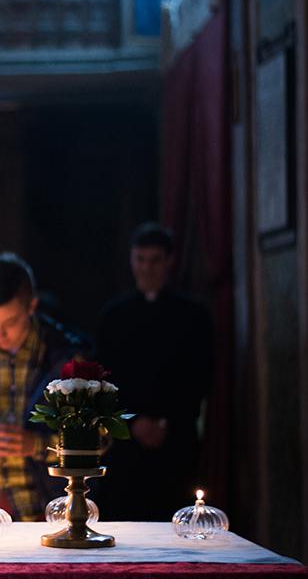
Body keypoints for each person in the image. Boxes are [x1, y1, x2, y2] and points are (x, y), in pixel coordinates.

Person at [0, 253, 86, 520]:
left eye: (10, 323)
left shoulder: (64, 356)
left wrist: (36, 445)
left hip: (49, 507)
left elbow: (96, 442)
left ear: (31, 306)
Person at [96, 222, 212, 521]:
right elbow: (105, 380)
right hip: (125, 443)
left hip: (174, 439)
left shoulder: (193, 316)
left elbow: (199, 378)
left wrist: (164, 422)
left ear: (169, 261)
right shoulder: (114, 315)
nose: (147, 268)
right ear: (132, 261)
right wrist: (133, 422)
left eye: (155, 260)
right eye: (140, 259)